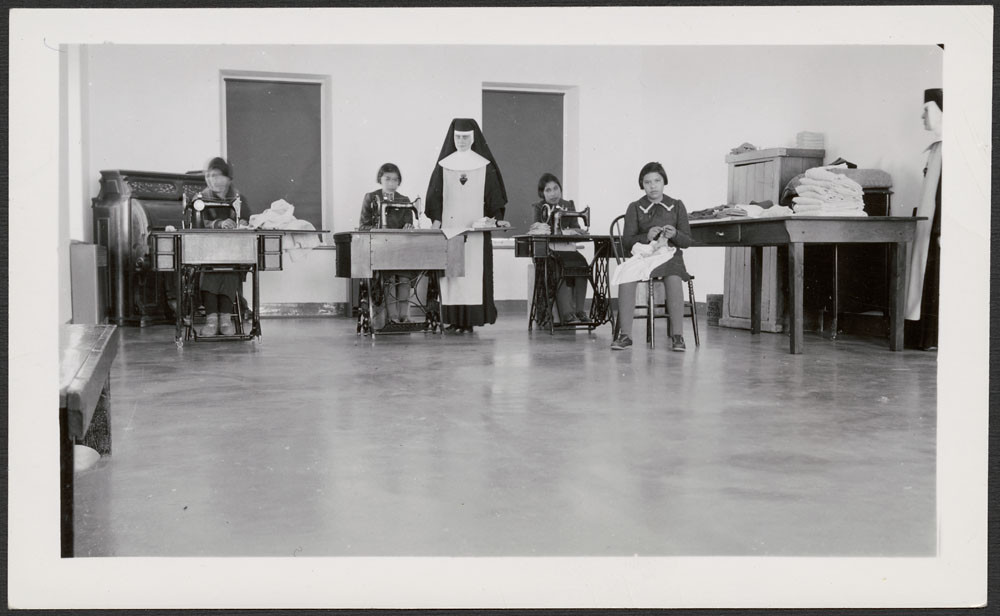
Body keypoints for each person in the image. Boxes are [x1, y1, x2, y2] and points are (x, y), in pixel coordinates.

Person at [424, 118, 509, 333]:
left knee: (473, 275)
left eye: (465, 137)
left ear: (473, 138)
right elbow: (435, 196)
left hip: (476, 232)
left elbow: (494, 196)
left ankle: (470, 321)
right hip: (450, 230)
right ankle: (453, 320)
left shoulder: (484, 165)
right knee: (452, 277)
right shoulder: (444, 165)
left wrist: (496, 217)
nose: (461, 141)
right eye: (458, 137)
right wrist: (436, 220)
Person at [611, 161, 692, 352]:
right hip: (645, 255)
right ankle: (626, 335)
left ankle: (678, 335)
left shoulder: (676, 205)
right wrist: (646, 237)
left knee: (673, 278)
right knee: (626, 275)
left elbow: (687, 241)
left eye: (657, 181)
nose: (653, 186)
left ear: (664, 182)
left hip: (670, 256)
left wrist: (675, 234)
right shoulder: (635, 207)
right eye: (647, 182)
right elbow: (627, 242)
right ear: (642, 184)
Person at [194, 157, 251, 337]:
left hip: (232, 251)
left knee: (230, 269)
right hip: (207, 251)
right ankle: (212, 320)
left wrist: (241, 223)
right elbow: (197, 224)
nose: (213, 180)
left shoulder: (238, 199)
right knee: (211, 270)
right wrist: (218, 224)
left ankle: (225, 320)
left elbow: (247, 220)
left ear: (228, 178)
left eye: (217, 175)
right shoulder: (200, 199)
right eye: (209, 176)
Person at [905, 88, 942, 351]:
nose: (922, 116)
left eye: (926, 110)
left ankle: (932, 339)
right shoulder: (937, 148)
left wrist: (941, 229)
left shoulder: (951, 148)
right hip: (928, 225)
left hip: (937, 229)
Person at [359, 162, 417, 322]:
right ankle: (392, 318)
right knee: (388, 279)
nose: (391, 183)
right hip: (379, 249)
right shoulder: (371, 198)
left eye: (395, 180)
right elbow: (363, 226)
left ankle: (404, 318)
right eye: (388, 179)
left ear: (399, 182)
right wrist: (380, 230)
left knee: (405, 278)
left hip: (400, 249)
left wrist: (408, 226)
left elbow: (409, 225)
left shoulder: (404, 200)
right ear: (380, 179)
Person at [530, 173, 589, 324]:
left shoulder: (568, 205)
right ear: (542, 193)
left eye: (556, 188)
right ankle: (567, 313)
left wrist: (575, 231)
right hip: (548, 251)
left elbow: (576, 227)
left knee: (583, 266)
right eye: (548, 190)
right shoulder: (539, 207)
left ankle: (580, 310)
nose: (553, 193)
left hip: (568, 250)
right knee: (558, 268)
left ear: (560, 189)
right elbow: (538, 230)